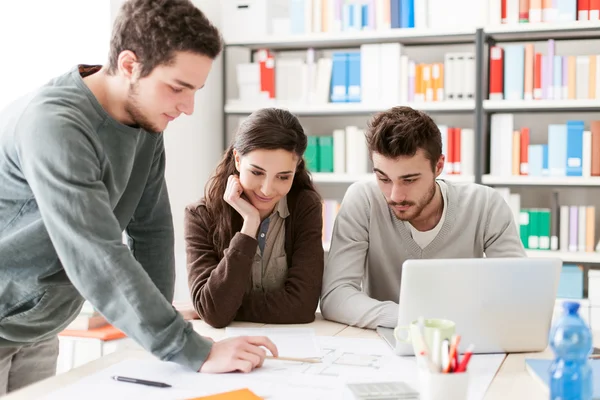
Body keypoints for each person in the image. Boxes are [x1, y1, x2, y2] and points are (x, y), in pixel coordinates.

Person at [0, 0, 277, 394]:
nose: (189, 107)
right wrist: (190, 349)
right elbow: (97, 255)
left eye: (196, 90)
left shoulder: (145, 124)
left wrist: (164, 335)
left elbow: (152, 229)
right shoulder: (55, 125)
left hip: (39, 327)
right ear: (129, 65)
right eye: (178, 88)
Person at [320, 106, 526, 329]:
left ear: (438, 166)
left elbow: (518, 291)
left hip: (461, 342)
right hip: (383, 342)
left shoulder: (485, 205)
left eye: (409, 180)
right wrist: (418, 320)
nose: (395, 195)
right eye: (384, 178)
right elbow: (336, 296)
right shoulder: (363, 200)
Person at [184, 108, 324, 328]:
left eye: (283, 177)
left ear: (295, 169)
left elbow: (302, 306)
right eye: (257, 172)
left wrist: (222, 306)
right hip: (226, 346)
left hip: (293, 344)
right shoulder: (200, 216)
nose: (267, 190)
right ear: (238, 160)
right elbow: (215, 314)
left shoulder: (304, 207)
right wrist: (249, 226)